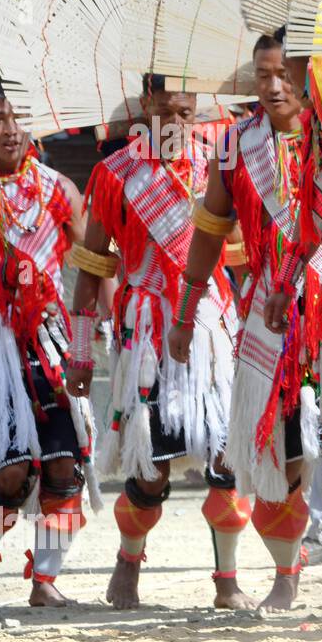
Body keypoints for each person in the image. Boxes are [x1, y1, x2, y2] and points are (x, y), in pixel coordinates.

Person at [64, 75, 247, 609]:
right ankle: (127, 566)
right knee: (150, 468)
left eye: (185, 111)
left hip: (209, 321)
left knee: (226, 456)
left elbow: (235, 251)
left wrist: (210, 215)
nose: (176, 119)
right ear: (146, 104)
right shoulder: (114, 174)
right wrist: (79, 352)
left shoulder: (217, 162)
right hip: (146, 328)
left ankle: (227, 580)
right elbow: (93, 265)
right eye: (166, 108)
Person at [168, 32, 317, 613]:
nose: (274, 85)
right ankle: (286, 574)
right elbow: (208, 232)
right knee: (273, 445)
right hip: (266, 313)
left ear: (304, 75)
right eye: (263, 75)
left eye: (284, 73)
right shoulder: (237, 144)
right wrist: (185, 314)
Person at [0, 76, 95, 606]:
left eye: (18, 118)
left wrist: (98, 333)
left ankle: (45, 581)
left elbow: (94, 265)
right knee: (11, 474)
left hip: (46, 343)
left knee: (65, 465)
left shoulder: (56, 188)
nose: (10, 129)